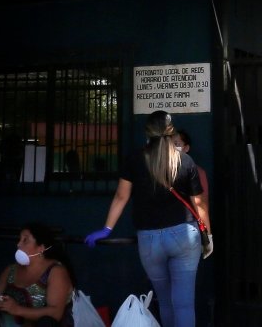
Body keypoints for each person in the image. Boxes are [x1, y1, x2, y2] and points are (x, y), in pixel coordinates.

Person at [83, 111, 212, 327]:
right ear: (172, 133)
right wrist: (207, 235)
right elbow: (200, 204)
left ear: (147, 133)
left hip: (150, 240)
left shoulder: (135, 159)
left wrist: (106, 229)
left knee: (165, 301)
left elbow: (121, 196)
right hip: (184, 237)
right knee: (184, 305)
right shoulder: (186, 161)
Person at [0, 222, 76, 326]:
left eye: (25, 240)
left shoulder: (56, 271)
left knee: (46, 323)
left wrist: (17, 309)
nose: (18, 244)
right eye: (19, 239)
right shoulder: (10, 270)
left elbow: (55, 313)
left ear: (41, 248)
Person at [173, 130, 208, 212]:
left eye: (176, 144)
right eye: (169, 145)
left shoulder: (199, 172)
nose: (172, 148)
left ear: (186, 148)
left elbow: (202, 203)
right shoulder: (161, 171)